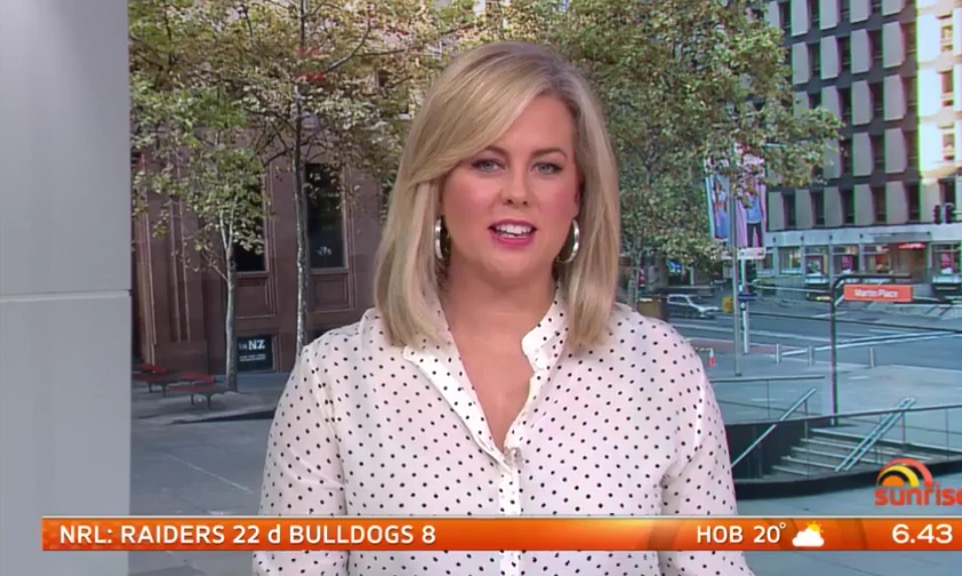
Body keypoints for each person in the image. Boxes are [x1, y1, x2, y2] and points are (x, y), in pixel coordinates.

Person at [254, 41, 752, 576]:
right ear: (438, 184)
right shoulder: (333, 380)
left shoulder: (663, 369)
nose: (517, 192)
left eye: (547, 167)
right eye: (488, 163)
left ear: (578, 194)